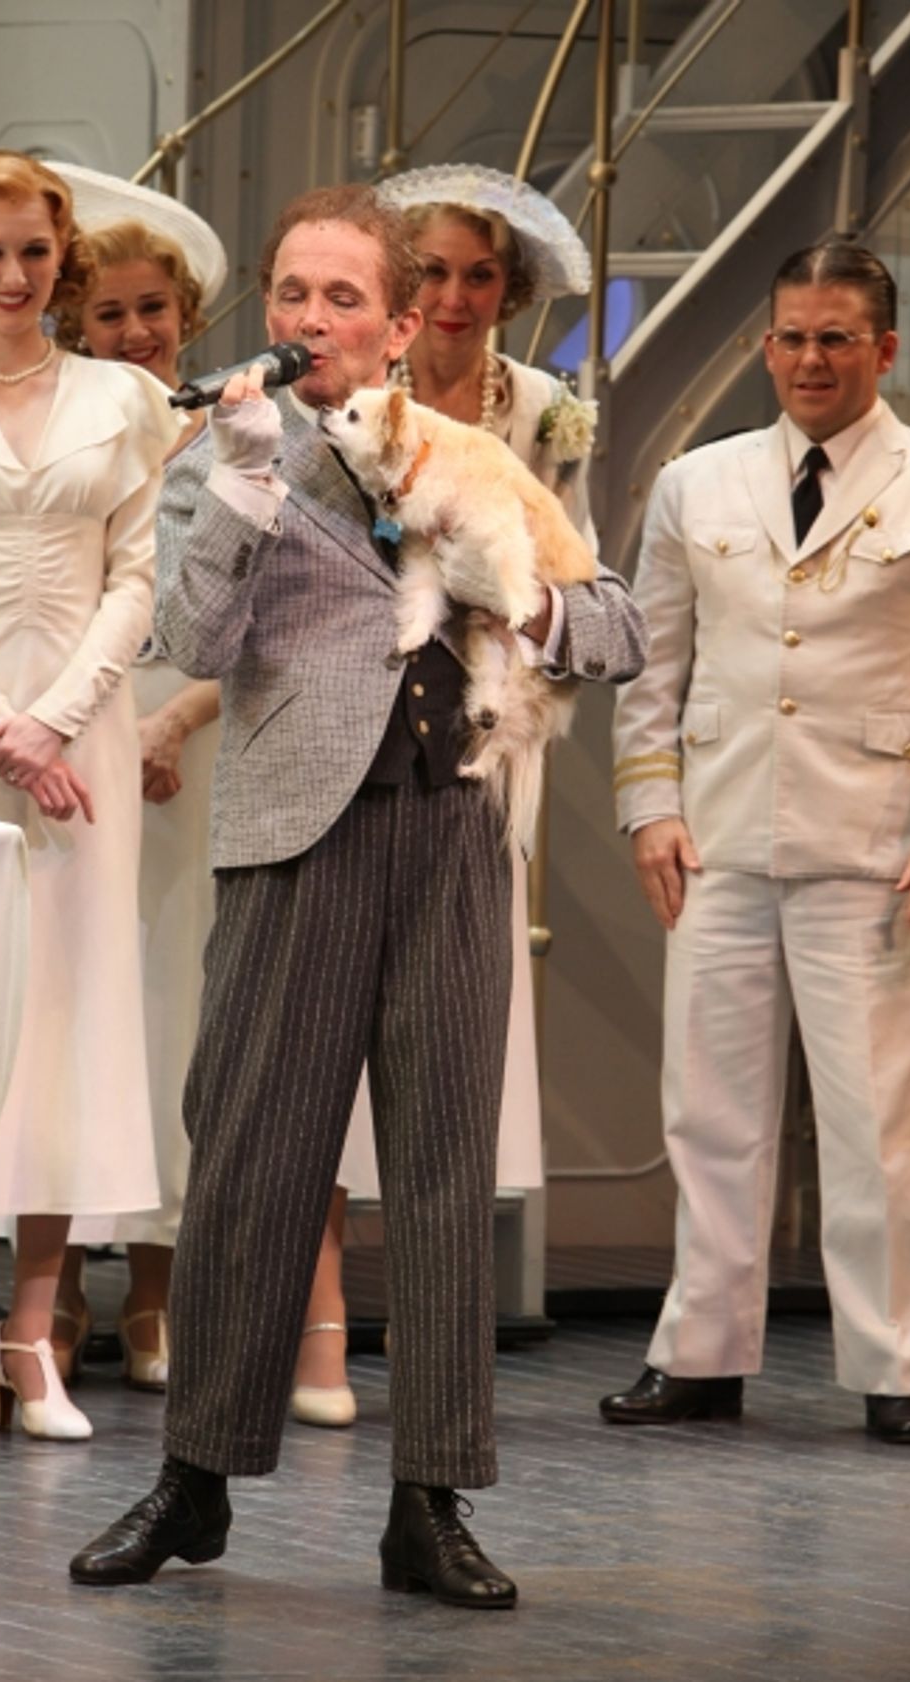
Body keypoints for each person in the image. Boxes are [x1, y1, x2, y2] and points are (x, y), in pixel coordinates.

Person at [69, 182, 647, 1608]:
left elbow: (615, 618)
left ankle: (431, 1497)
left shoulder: (486, 451)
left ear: (399, 326)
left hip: (451, 830)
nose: (308, 320)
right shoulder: (228, 452)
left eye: (341, 299)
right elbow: (191, 634)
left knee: (446, 1170)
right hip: (295, 836)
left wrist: (530, 607)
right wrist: (254, 485)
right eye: (290, 293)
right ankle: (195, 1478)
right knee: (255, 1158)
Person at [604, 240, 910, 1445]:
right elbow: (653, 664)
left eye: (836, 339)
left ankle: (896, 1366)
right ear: (766, 345)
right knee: (709, 1111)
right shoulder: (696, 483)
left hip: (866, 843)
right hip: (719, 833)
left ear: (884, 350)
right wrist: (650, 802)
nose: (811, 359)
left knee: (872, 1122)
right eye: (793, 338)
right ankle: (700, 1352)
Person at [290, 163, 600, 1427]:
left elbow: (578, 577)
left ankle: (437, 1421)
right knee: (292, 1097)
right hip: (333, 744)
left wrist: (520, 610)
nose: (461, 297)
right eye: (438, 276)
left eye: (483, 276)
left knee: (445, 1105)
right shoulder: (337, 410)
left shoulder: (547, 411)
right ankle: (295, 1357)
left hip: (477, 713)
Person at [0, 151, 179, 1441]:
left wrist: (56, 719)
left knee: (68, 1012)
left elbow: (138, 576)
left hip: (86, 737)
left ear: (62, 264)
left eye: (35, 254)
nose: (14, 277)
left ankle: (36, 1326)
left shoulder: (122, 398)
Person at [48, 160, 228, 1390]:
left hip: (206, 754)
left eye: (150, 311)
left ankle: (158, 1289)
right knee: (62, 1010)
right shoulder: (55, 425)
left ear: (188, 317)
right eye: (106, 314)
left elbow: (275, 608)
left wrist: (172, 721)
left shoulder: (236, 430)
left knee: (178, 1022)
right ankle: (47, 1289)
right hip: (73, 751)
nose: (132, 333)